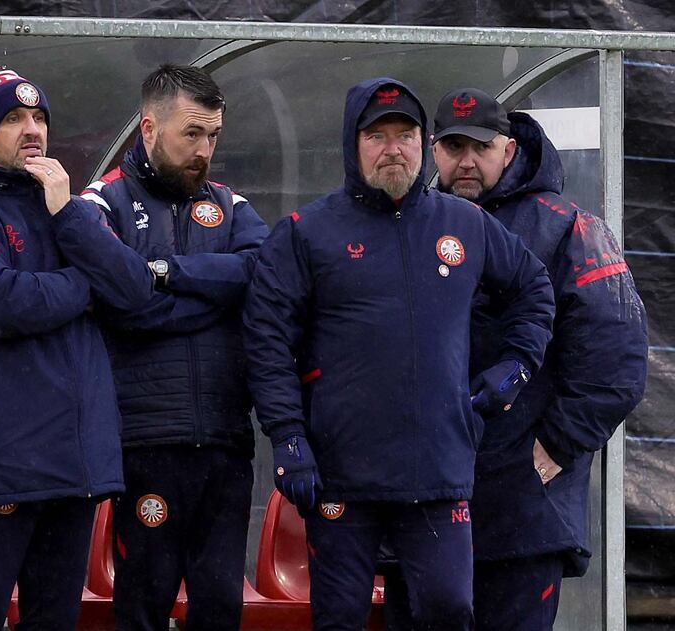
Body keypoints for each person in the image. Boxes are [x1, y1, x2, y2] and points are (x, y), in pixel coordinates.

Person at [242, 77, 556, 631]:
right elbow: (267, 341)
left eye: (406, 134)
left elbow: (535, 289)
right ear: (352, 142)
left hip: (438, 471)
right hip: (339, 474)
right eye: (377, 135)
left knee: (448, 610)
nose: (393, 148)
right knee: (340, 618)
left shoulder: (466, 224)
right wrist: (288, 438)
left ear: (423, 141)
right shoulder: (305, 233)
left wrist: (515, 367)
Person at [382, 87, 649, 631]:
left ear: (509, 148)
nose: (467, 161)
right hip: (422, 504)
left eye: (481, 146)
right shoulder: (406, 224)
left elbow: (617, 358)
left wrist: (560, 442)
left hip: (524, 510)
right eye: (453, 147)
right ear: (433, 151)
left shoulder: (569, 227)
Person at [79, 64, 269, 631]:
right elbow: (123, 301)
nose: (204, 149)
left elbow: (261, 269)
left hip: (226, 442)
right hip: (145, 443)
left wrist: (165, 272)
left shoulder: (231, 206)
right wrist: (213, 293)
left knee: (220, 607)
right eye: (192, 133)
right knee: (143, 601)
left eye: (213, 135)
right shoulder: (102, 203)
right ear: (148, 128)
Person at [0, 61, 127, 630]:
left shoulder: (70, 211)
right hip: (2, 467)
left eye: (40, 117)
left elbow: (132, 291)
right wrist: (83, 285)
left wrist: (69, 214)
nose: (33, 130)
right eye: (15, 118)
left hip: (74, 470)